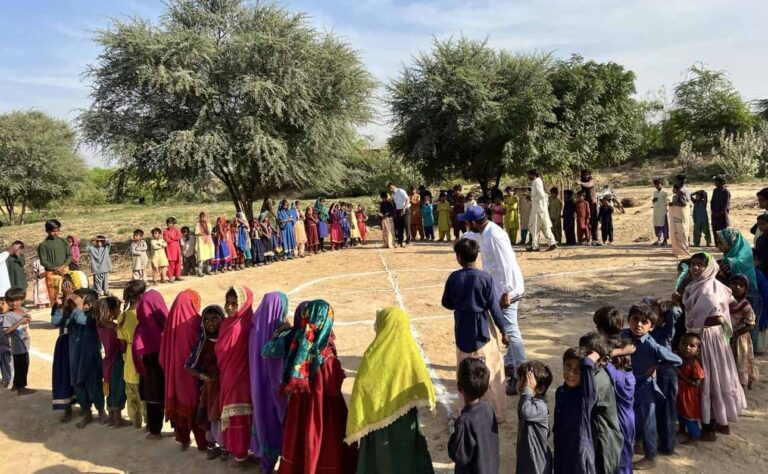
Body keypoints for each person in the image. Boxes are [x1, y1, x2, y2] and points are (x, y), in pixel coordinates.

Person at [345, 307, 436, 473]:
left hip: (376, 426)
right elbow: (422, 380)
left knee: (380, 462)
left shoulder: (372, 355)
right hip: (405, 423)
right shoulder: (411, 353)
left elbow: (362, 388)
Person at [278, 300, 357, 473]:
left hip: (299, 408)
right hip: (322, 410)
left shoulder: (299, 345)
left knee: (298, 441)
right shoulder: (325, 354)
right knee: (322, 445)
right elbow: (333, 387)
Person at [458, 206, 526, 394]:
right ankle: (510, 363)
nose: (466, 224)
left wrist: (506, 291)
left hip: (507, 290)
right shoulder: (484, 232)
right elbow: (473, 237)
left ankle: (522, 374)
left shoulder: (495, 235)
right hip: (499, 288)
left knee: (511, 329)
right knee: (508, 327)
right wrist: (462, 239)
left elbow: (507, 263)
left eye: (467, 221)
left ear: (474, 222)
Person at [681, 253, 746, 440]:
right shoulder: (706, 285)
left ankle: (709, 428)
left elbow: (715, 317)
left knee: (709, 378)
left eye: (700, 265)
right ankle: (719, 422)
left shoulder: (707, 289)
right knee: (718, 376)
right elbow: (729, 304)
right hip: (714, 338)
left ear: (708, 267)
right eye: (693, 264)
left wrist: (698, 325)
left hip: (706, 338)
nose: (695, 268)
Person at [441, 239, 508, 421]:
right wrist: (504, 331)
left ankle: (466, 411)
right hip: (483, 329)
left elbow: (446, 303)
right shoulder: (485, 278)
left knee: (465, 372)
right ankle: (495, 413)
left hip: (463, 328)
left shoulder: (454, 278)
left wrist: (461, 303)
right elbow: (494, 308)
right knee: (488, 370)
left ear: (459, 257)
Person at [620, 304, 681, 470]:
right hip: (627, 387)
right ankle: (634, 446)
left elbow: (677, 360)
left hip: (645, 388)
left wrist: (657, 366)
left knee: (648, 423)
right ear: (629, 320)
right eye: (635, 319)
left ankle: (651, 456)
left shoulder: (651, 345)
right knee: (630, 419)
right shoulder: (623, 336)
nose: (639, 324)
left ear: (651, 326)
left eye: (644, 322)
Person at [160, 289, 206, 451]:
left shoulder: (169, 324)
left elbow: (162, 355)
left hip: (175, 376)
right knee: (196, 406)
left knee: (181, 409)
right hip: (192, 375)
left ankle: (183, 440)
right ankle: (202, 444)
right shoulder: (196, 322)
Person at [249, 292, 289, 473]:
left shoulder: (254, 327)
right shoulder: (282, 333)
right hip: (277, 390)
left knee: (263, 421)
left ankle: (266, 465)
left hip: (258, 386)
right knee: (278, 423)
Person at [216, 286, 254, 466]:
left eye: (234, 303)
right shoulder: (226, 323)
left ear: (244, 304)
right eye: (228, 302)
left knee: (240, 416)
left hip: (241, 378)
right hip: (227, 375)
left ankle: (241, 454)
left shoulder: (248, 324)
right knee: (232, 415)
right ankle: (236, 451)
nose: (229, 307)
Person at [578, 333, 623, 474]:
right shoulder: (595, 373)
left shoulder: (597, 381)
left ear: (604, 360)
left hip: (604, 441)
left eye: (590, 356)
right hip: (600, 436)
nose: (584, 359)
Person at [186, 304, 226, 460]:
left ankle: (222, 446)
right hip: (210, 387)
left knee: (222, 416)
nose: (210, 324)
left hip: (225, 384)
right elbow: (189, 365)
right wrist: (204, 377)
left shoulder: (227, 338)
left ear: (222, 320)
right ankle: (214, 446)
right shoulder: (203, 340)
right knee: (213, 417)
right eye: (207, 320)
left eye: (215, 319)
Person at [553, 347, 600, 474]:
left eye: (577, 371)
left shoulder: (586, 396)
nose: (571, 374)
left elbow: (588, 364)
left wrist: (593, 357)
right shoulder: (560, 392)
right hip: (562, 448)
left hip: (579, 454)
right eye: (568, 367)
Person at [449, 361, 500, 474]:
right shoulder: (488, 408)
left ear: (459, 387)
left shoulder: (464, 421)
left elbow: (459, 456)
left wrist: (454, 434)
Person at [67, 288, 107, 428]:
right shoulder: (73, 313)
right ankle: (86, 412)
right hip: (75, 358)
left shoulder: (93, 315)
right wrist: (64, 304)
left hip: (90, 357)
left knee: (94, 384)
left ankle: (101, 410)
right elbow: (57, 320)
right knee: (78, 385)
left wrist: (78, 308)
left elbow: (82, 320)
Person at [134, 289, 169, 440]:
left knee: (153, 399)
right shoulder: (168, 326)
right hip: (166, 367)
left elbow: (136, 350)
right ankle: (178, 431)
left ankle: (155, 431)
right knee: (169, 394)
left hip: (150, 368)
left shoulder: (141, 328)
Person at [650, 300, 683, 455]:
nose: (652, 317)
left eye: (656, 314)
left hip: (667, 374)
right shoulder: (651, 331)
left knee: (668, 410)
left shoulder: (666, 333)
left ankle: (668, 446)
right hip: (655, 374)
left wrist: (667, 307)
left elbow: (676, 311)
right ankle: (658, 441)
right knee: (656, 409)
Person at [94, 296, 130, 428]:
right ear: (111, 311)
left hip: (107, 363)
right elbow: (122, 346)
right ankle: (118, 419)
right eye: (117, 309)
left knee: (109, 390)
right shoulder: (114, 328)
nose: (119, 311)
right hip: (117, 361)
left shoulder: (100, 326)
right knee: (119, 389)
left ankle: (111, 418)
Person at [515, 361, 554, 474]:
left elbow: (526, 412)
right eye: (520, 380)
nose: (520, 385)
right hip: (527, 459)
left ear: (540, 389)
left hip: (537, 463)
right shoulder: (527, 402)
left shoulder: (540, 407)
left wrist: (527, 391)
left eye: (526, 383)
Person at [117, 280, 146, 429]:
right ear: (141, 296)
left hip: (129, 360)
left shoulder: (122, 317)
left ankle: (135, 421)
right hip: (142, 358)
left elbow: (122, 344)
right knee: (144, 395)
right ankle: (148, 422)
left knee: (131, 394)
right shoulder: (144, 315)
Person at [605, 337, 636, 474]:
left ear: (617, 360)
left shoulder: (618, 377)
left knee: (622, 454)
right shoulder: (628, 375)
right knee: (627, 452)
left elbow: (601, 358)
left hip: (621, 420)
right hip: (628, 418)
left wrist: (620, 351)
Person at [728, 275, 758, 390]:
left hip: (740, 338)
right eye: (734, 283)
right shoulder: (725, 301)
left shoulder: (746, 306)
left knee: (741, 360)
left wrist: (736, 334)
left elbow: (751, 324)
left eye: (741, 285)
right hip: (727, 335)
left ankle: (742, 383)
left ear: (745, 289)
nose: (737, 287)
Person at [2, 287, 34, 395]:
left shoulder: (24, 310)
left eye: (17, 300)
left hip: (24, 343)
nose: (14, 303)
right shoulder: (8, 315)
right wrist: (20, 322)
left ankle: (16, 385)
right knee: (21, 366)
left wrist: (28, 319)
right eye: (11, 300)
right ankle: (21, 388)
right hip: (16, 346)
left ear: (22, 300)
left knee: (24, 364)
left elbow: (27, 319)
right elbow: (6, 331)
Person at [677, 333, 705, 444]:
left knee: (689, 415)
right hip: (681, 393)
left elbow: (696, 384)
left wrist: (681, 376)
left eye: (691, 346)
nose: (687, 347)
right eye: (684, 344)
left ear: (697, 351)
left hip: (689, 396)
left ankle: (695, 435)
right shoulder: (680, 360)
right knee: (681, 412)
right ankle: (681, 430)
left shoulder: (695, 365)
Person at [38, 219, 72, 305]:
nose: (56, 233)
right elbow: (43, 261)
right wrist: (55, 268)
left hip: (65, 271)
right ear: (47, 231)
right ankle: (56, 311)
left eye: (57, 230)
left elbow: (69, 256)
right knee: (54, 297)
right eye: (53, 231)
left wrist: (63, 266)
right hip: (51, 274)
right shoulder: (43, 245)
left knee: (68, 293)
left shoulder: (64, 241)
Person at [527, 170, 557, 252]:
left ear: (533, 175)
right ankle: (552, 243)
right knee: (544, 227)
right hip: (539, 209)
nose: (528, 177)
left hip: (538, 210)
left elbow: (541, 195)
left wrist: (531, 198)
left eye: (529, 175)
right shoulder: (537, 181)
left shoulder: (536, 182)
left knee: (534, 227)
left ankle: (535, 246)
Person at [669, 184, 691, 258]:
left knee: (682, 232)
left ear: (677, 189)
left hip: (680, 217)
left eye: (674, 189)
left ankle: (683, 250)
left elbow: (684, 205)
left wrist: (674, 204)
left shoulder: (682, 196)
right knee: (676, 233)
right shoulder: (674, 197)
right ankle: (678, 249)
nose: (672, 190)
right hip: (676, 217)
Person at [579, 170, 599, 245]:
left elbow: (589, 185)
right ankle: (588, 237)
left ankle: (595, 238)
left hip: (593, 204)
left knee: (594, 221)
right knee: (587, 221)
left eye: (587, 174)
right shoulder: (583, 182)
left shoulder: (591, 181)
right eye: (584, 175)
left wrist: (580, 183)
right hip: (586, 204)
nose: (586, 176)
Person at [388, 182, 411, 247]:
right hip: (398, 210)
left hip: (406, 209)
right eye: (389, 188)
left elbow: (407, 199)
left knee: (406, 225)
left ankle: (408, 241)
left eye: (391, 188)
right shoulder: (393, 194)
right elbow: (394, 203)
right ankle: (400, 241)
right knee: (399, 226)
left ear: (395, 186)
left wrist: (404, 208)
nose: (391, 189)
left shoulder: (400, 191)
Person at [710, 175, 730, 240]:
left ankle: (723, 244)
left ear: (722, 183)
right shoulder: (715, 190)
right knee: (715, 231)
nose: (715, 183)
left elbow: (726, 205)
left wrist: (719, 213)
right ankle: (717, 244)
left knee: (722, 232)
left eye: (716, 182)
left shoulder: (726, 192)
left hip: (722, 215)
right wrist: (713, 211)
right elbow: (712, 202)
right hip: (714, 214)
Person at [195, 212, 215, 276]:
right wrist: (203, 233)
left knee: (209, 256)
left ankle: (208, 270)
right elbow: (196, 233)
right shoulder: (198, 224)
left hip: (208, 242)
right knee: (201, 257)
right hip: (201, 243)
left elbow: (209, 232)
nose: (202, 218)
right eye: (201, 217)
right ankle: (200, 272)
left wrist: (206, 224)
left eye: (203, 217)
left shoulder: (208, 224)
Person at [163, 217, 183, 282]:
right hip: (169, 249)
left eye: (171, 223)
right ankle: (170, 277)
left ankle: (177, 276)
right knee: (171, 263)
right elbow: (167, 239)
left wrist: (172, 238)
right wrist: (174, 238)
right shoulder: (165, 231)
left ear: (173, 223)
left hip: (177, 249)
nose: (170, 224)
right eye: (168, 223)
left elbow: (179, 236)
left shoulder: (177, 229)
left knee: (178, 262)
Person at [651, 179, 670, 246]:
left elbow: (667, 201)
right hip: (656, 211)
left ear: (661, 184)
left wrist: (666, 209)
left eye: (658, 184)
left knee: (664, 226)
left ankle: (665, 240)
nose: (656, 186)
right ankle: (659, 239)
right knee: (657, 225)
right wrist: (653, 200)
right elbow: (654, 202)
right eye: (655, 184)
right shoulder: (655, 192)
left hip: (662, 211)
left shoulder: (665, 192)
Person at [0, 299, 11, 388]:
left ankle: (8, 380)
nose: (1, 305)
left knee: (7, 363)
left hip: (7, 345)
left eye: (3, 303)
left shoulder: (10, 316)